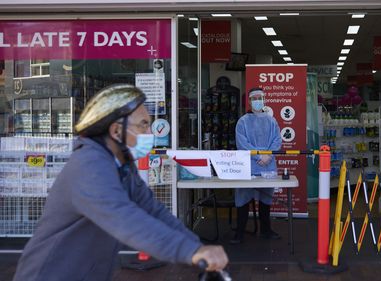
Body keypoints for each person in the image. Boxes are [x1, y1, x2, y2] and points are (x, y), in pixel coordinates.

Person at [13, 84, 228, 281]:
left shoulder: (121, 165)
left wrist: (196, 248)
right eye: (143, 125)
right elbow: (126, 219)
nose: (149, 133)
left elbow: (153, 211)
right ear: (116, 130)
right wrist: (189, 252)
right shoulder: (89, 166)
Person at [231, 87, 282, 244]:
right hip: (249, 167)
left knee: (266, 199)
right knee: (243, 200)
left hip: (267, 167)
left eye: (260, 98)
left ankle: (266, 230)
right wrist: (260, 155)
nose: (258, 101)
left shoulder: (271, 121)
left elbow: (277, 140)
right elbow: (242, 143)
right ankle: (240, 233)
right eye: (255, 98)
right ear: (250, 101)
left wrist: (268, 155)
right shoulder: (243, 122)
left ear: (264, 100)